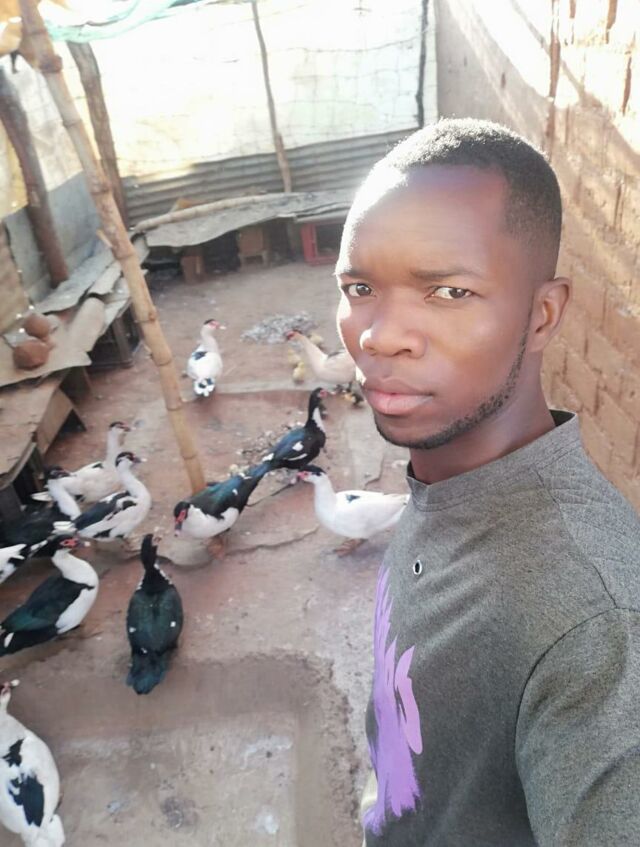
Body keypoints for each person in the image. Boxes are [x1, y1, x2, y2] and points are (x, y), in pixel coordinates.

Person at [335, 118, 640, 847]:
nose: (379, 334)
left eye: (447, 291)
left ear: (542, 315)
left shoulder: (594, 626)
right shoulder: (443, 475)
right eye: (360, 286)